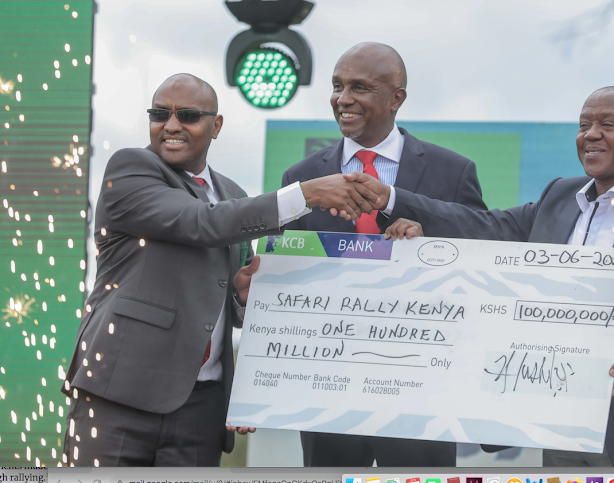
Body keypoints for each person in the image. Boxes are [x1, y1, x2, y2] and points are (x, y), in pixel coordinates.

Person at [345, 86, 614, 466]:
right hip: (560, 424)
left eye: (607, 124)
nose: (591, 135)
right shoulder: (559, 197)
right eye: (584, 125)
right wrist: (392, 198)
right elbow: (482, 225)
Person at [61, 73, 377, 467]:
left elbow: (221, 294)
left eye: (188, 115)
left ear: (216, 126)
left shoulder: (232, 194)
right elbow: (199, 222)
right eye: (160, 113)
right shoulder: (131, 169)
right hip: (120, 392)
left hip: (202, 407)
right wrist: (305, 195)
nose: (171, 125)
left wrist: (241, 298)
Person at [280, 42, 487, 467]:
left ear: (397, 98)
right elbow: (283, 277)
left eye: (359, 87)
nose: (342, 99)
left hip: (422, 392)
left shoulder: (454, 172)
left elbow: (479, 267)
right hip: (328, 394)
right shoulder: (300, 178)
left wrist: (429, 247)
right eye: (337, 86)